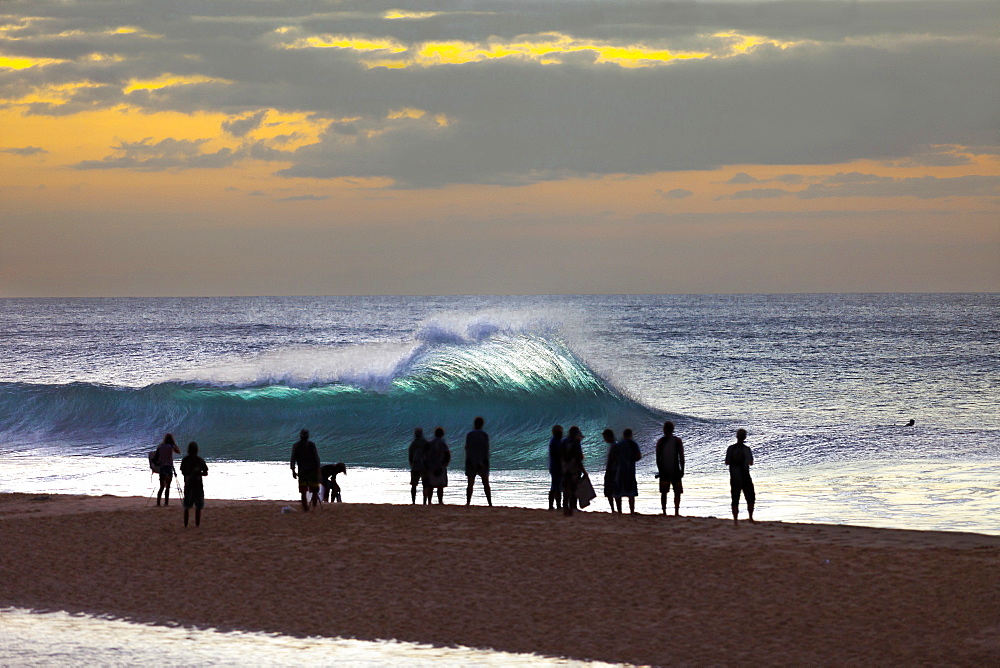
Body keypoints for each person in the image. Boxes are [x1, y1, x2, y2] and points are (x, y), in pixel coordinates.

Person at [725, 428, 755, 526]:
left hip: (734, 476)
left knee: (735, 498)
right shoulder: (746, 449)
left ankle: (735, 520)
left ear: (737, 436)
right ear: (745, 437)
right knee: (750, 497)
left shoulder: (731, 448)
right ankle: (750, 517)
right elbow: (750, 462)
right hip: (745, 475)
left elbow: (727, 462)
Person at [656, 421, 685, 516]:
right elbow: (681, 456)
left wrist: (660, 470)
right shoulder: (677, 441)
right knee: (677, 492)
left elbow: (658, 458)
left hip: (664, 470)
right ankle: (676, 512)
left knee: (664, 492)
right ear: (673, 429)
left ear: (664, 429)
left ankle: (664, 512)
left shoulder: (661, 441)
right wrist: (682, 469)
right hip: (675, 469)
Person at [290, 429, 321, 512]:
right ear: (308, 436)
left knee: (304, 491)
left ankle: (306, 509)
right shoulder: (311, 445)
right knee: (313, 491)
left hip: (303, 472)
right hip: (311, 472)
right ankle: (313, 508)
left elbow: (293, 459)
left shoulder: (296, 445)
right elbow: (317, 459)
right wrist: (318, 471)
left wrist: (293, 470)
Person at [465, 416, 492, 506]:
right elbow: (486, 449)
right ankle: (489, 503)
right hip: (482, 460)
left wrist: (468, 459)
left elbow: (467, 448)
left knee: (470, 483)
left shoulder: (470, 435)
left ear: (474, 424)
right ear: (482, 424)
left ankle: (468, 502)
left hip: (471, 459)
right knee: (485, 483)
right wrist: (485, 460)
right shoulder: (485, 435)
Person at [180, 441, 208, 527]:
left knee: (187, 506)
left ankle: (185, 525)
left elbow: (183, 471)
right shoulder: (199, 460)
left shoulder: (185, 460)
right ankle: (197, 525)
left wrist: (189, 474)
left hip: (188, 483)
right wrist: (198, 473)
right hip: (198, 484)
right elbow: (206, 472)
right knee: (198, 506)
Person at [615, 428, 642, 515]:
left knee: (618, 490)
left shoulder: (619, 444)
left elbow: (614, 457)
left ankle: (619, 511)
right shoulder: (633, 444)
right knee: (631, 492)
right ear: (631, 435)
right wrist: (632, 460)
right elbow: (638, 456)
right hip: (630, 470)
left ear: (623, 435)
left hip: (619, 470)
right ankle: (632, 511)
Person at [423, 426, 451, 504]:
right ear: (442, 434)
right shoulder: (443, 444)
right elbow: (447, 455)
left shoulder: (430, 443)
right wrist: (445, 464)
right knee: (440, 486)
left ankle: (429, 501)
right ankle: (440, 501)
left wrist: (426, 465)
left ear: (435, 434)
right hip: (441, 466)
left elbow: (425, 455)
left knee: (431, 485)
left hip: (431, 466)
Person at [561, 426, 584, 516]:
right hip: (574, 468)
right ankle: (573, 507)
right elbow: (579, 458)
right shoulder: (576, 442)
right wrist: (584, 471)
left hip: (565, 467)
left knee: (566, 488)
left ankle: (565, 506)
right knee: (574, 488)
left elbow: (561, 456)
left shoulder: (564, 441)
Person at [155, 433, 181, 506]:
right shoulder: (171, 446)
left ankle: (158, 503)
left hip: (162, 468)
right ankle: (166, 503)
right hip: (169, 468)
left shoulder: (160, 446)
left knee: (162, 486)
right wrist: (174, 444)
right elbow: (179, 451)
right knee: (168, 487)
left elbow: (156, 457)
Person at [408, 427, 428, 504]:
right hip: (424, 466)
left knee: (414, 485)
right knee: (425, 485)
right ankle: (424, 502)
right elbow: (429, 454)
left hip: (415, 466)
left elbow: (410, 456)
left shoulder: (413, 444)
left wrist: (411, 464)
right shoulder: (426, 443)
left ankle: (413, 502)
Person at [602, 429, 620, 513]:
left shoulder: (614, 446)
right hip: (616, 470)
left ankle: (613, 509)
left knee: (609, 490)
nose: (604, 439)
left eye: (605, 437)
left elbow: (611, 460)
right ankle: (618, 509)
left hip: (612, 470)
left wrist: (607, 472)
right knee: (616, 490)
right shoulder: (616, 444)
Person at [547, 425, 564, 510]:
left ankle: (557, 505)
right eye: (560, 432)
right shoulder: (555, 442)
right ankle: (552, 505)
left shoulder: (556, 441)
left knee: (557, 486)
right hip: (556, 467)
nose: (562, 433)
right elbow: (558, 455)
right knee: (555, 486)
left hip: (555, 467)